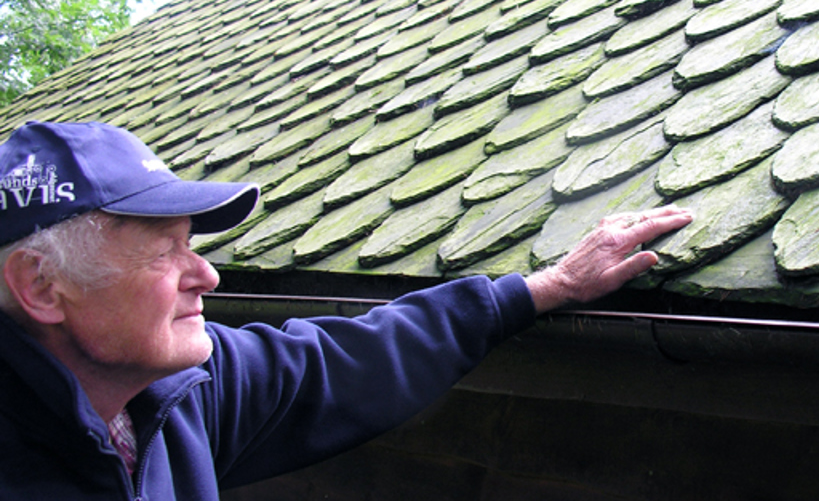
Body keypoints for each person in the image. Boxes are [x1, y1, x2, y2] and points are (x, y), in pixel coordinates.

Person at [0, 121, 692, 499]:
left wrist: (546, 288)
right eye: (163, 252)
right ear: (41, 286)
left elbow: (346, 360)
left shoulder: (169, 395)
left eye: (194, 246)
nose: (205, 274)